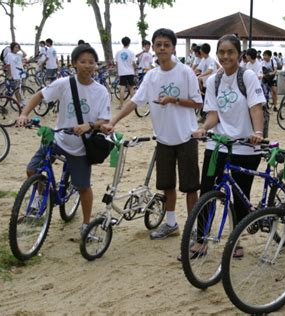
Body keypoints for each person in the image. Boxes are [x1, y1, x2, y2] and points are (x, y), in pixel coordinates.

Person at [101, 28, 203, 240]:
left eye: (167, 44)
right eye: (159, 45)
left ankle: (193, 228)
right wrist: (113, 121)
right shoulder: (151, 76)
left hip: (187, 137)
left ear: (173, 47)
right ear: (153, 48)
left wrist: (174, 100)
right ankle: (171, 223)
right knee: (167, 185)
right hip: (163, 139)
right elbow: (134, 102)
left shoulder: (186, 72)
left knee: (190, 186)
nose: (162, 48)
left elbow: (198, 103)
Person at [17, 45, 111, 237]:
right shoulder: (64, 83)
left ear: (96, 65)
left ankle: (86, 225)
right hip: (58, 138)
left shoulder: (101, 91)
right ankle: (43, 196)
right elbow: (39, 95)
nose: (87, 66)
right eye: (82, 61)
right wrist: (24, 114)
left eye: (91, 62)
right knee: (32, 169)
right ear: (74, 63)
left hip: (81, 147)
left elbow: (105, 121)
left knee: (83, 187)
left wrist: (89, 125)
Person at [191, 34, 265, 258]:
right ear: (217, 55)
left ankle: (237, 240)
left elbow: (256, 109)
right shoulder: (213, 80)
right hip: (218, 145)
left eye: (230, 52)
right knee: (207, 191)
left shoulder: (248, 77)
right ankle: (202, 240)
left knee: (240, 195)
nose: (225, 56)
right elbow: (213, 115)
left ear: (239, 54)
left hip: (245, 145)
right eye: (221, 52)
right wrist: (204, 128)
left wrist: (258, 132)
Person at [115, 36, 136, 110]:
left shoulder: (118, 52)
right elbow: (133, 63)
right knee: (131, 88)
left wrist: (117, 72)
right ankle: (132, 105)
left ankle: (121, 105)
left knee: (122, 88)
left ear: (122, 43)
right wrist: (135, 70)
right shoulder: (131, 52)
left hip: (122, 72)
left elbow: (116, 63)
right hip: (130, 72)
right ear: (129, 43)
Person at [5, 42, 27, 106]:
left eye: (18, 47)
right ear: (12, 48)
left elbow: (25, 54)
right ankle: (19, 102)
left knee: (23, 87)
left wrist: (21, 49)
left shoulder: (18, 55)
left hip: (21, 73)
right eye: (16, 47)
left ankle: (22, 100)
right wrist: (10, 74)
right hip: (15, 74)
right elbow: (8, 65)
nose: (17, 49)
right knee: (16, 89)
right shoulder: (9, 54)